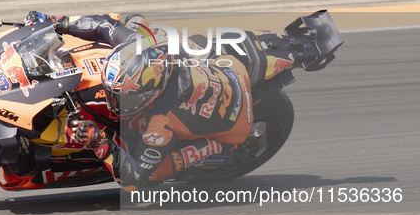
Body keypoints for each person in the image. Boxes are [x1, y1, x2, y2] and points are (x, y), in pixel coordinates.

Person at [24, 11, 298, 191]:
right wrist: (56, 22)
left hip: (235, 124)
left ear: (149, 94)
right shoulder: (142, 47)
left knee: (155, 174)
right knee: (140, 23)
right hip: (224, 69)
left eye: (123, 97)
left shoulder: (160, 126)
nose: (114, 100)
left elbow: (133, 180)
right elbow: (106, 24)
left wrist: (100, 142)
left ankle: (214, 146)